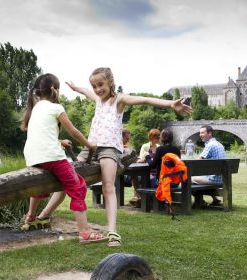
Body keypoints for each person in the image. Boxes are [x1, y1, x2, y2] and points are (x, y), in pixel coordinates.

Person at [66, 67, 193, 247]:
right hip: (90, 147)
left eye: (100, 85)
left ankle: (112, 232)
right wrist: (77, 88)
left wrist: (171, 103)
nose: (97, 89)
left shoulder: (119, 100)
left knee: (108, 187)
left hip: (109, 149)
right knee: (70, 177)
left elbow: (145, 100)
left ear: (110, 82)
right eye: (94, 86)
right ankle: (42, 216)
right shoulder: (97, 99)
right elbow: (87, 92)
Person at [21, 73, 105, 244]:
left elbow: (40, 135)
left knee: (39, 186)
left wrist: (59, 141)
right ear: (54, 90)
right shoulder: (56, 108)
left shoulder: (35, 108)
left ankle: (30, 216)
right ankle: (85, 233)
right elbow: (74, 132)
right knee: (77, 187)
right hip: (52, 156)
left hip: (33, 156)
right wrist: (89, 145)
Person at [191, 125, 226, 206]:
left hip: (214, 179)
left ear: (210, 133)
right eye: (200, 133)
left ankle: (199, 201)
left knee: (188, 179)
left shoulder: (210, 145)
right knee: (202, 176)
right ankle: (215, 199)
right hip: (222, 177)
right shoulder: (219, 144)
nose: (200, 135)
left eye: (202, 133)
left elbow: (197, 162)